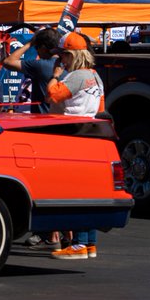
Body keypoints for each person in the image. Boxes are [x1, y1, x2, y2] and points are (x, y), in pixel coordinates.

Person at [48, 32, 106, 260]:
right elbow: (101, 106)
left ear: (70, 55)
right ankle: (89, 243)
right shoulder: (95, 75)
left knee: (76, 192)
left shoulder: (75, 76)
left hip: (74, 135)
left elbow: (53, 96)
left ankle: (79, 244)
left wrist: (54, 76)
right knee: (90, 192)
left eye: (62, 56)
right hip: (93, 133)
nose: (60, 61)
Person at [3, 28, 62, 113]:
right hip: (62, 120)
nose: (37, 52)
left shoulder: (40, 65)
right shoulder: (67, 65)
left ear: (43, 48)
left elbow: (8, 62)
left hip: (42, 120)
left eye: (36, 47)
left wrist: (30, 43)